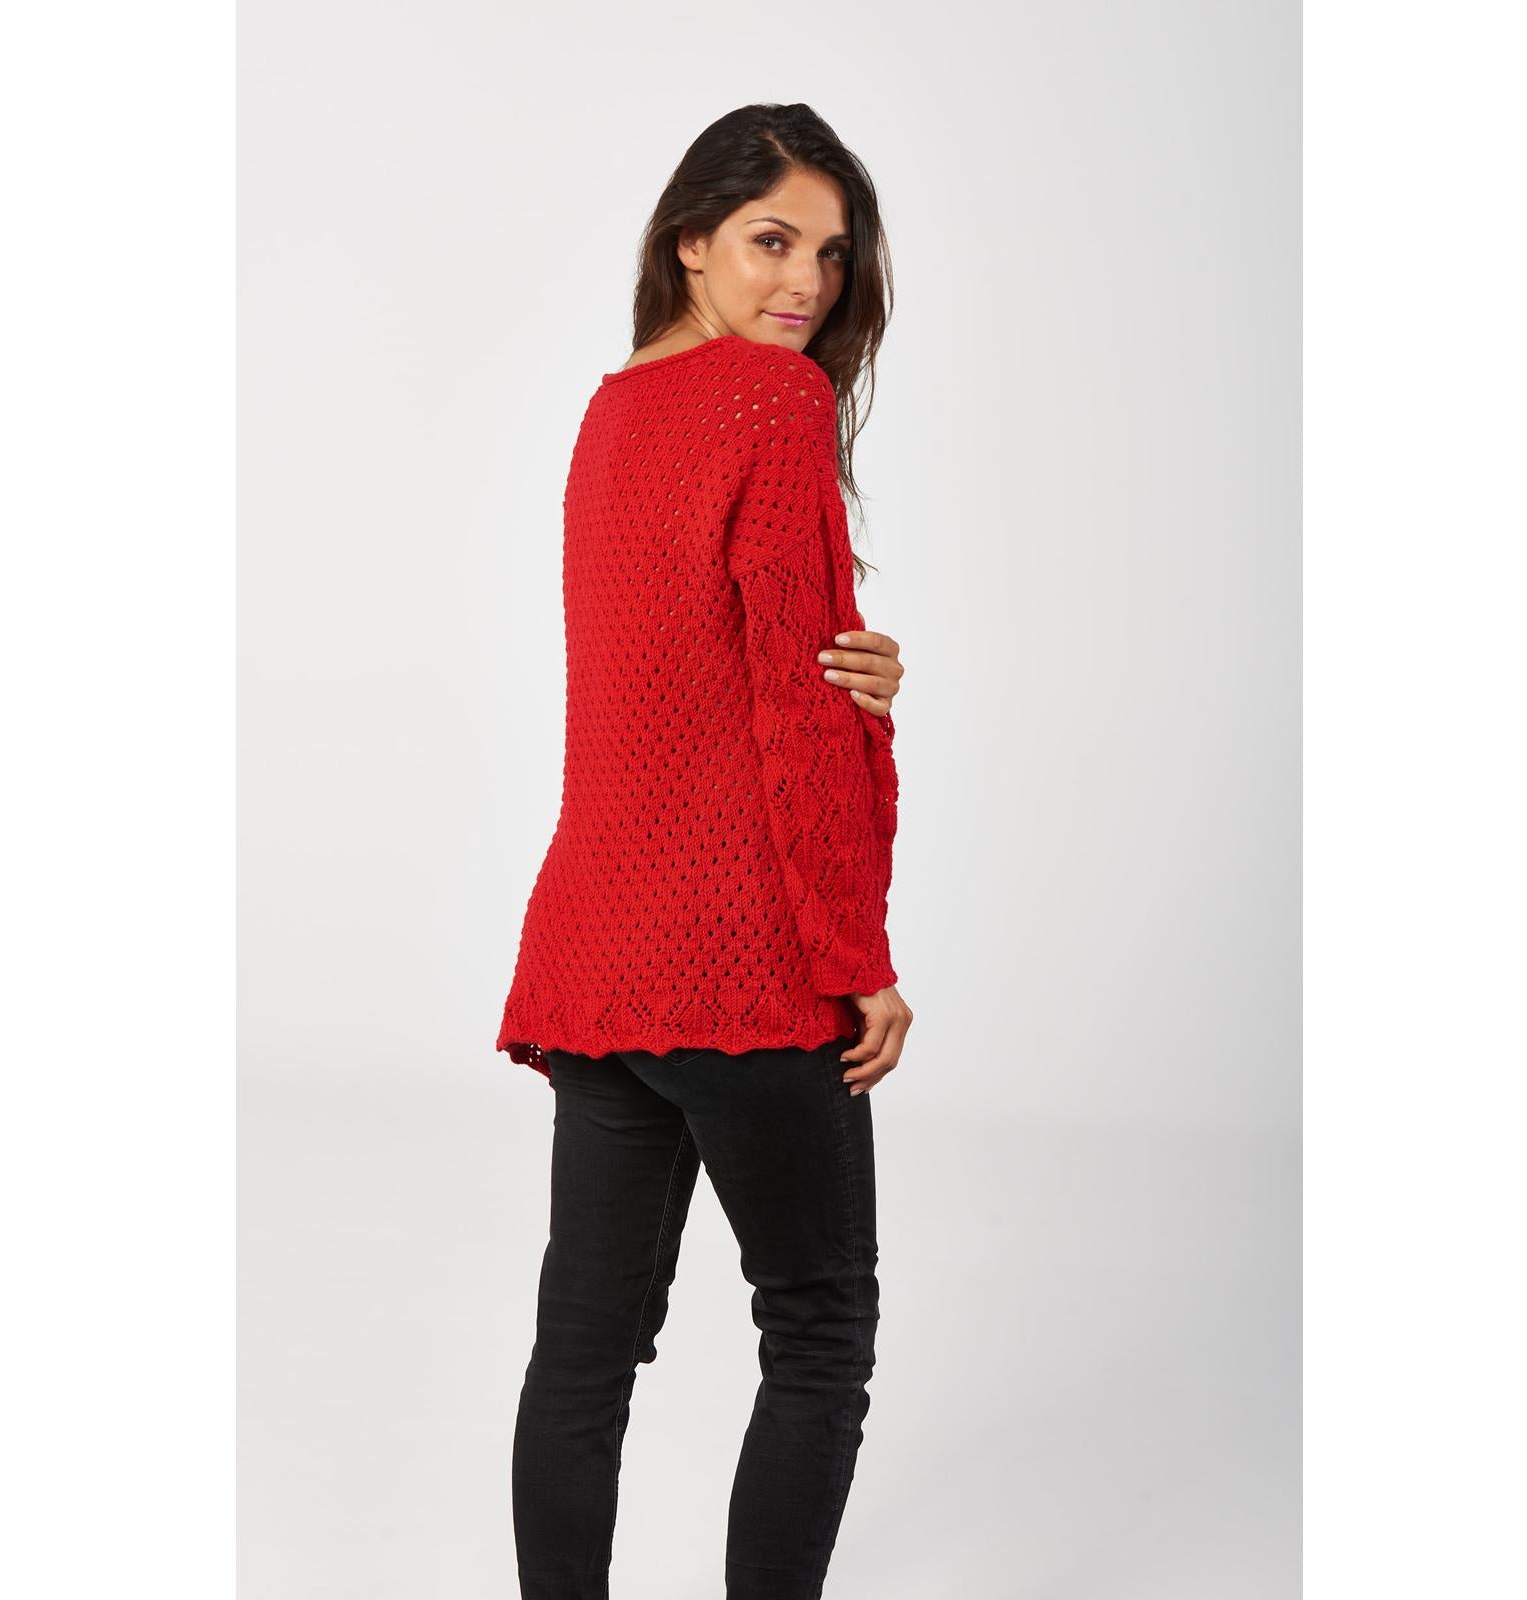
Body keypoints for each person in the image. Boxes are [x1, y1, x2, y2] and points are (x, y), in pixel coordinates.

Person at [496, 102, 913, 1599]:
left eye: (831, 255)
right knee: (818, 1332)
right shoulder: (773, 403)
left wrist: (855, 674)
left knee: (584, 1353)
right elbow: (790, 721)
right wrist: (857, 954)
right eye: (770, 241)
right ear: (690, 240)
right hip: (743, 963)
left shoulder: (614, 409)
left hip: (596, 952)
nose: (805, 282)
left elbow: (707, 679)